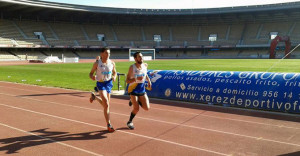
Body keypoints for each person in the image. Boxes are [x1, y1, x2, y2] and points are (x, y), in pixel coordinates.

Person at [89, 47, 117, 132]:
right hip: (101, 84)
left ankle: (95, 97)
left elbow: (115, 72)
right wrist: (92, 77)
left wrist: (114, 77)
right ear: (101, 54)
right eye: (106, 53)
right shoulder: (97, 63)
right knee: (106, 104)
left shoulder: (112, 63)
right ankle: (109, 124)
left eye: (109, 53)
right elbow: (90, 73)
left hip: (109, 83)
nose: (108, 54)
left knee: (106, 105)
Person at [126, 52, 151, 129]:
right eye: (139, 57)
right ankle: (129, 122)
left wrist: (149, 81)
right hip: (133, 89)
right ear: (135, 59)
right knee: (136, 108)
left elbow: (145, 73)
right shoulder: (132, 67)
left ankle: (134, 100)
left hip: (141, 89)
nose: (141, 58)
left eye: (142, 57)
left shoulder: (145, 65)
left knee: (147, 108)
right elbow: (127, 80)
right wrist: (136, 79)